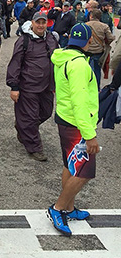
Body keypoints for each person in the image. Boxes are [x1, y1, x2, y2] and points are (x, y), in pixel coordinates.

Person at [47, 23, 101, 237]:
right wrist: (89, 135)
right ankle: (58, 208)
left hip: (66, 118)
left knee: (70, 166)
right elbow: (80, 101)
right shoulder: (79, 64)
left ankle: (68, 207)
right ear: (89, 41)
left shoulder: (64, 58)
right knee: (85, 172)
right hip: (78, 124)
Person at [6, 12, 58, 161]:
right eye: (38, 22)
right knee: (30, 117)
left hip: (47, 85)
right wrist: (14, 86)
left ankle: (23, 126)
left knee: (46, 112)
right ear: (32, 23)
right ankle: (34, 147)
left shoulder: (51, 38)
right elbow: (15, 63)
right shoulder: (24, 41)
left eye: (43, 22)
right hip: (28, 86)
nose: (41, 25)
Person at [85, 8, 115, 89]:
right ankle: (96, 87)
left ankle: (87, 86)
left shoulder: (86, 25)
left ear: (91, 16)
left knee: (87, 69)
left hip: (87, 51)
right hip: (98, 51)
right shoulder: (104, 26)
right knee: (97, 70)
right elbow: (111, 38)